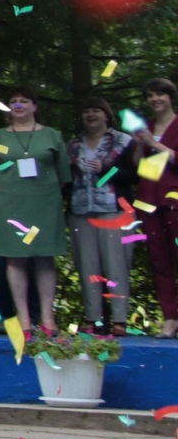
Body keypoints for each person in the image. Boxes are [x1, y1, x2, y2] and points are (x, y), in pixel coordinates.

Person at [0, 87, 67, 335]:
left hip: (45, 203)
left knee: (45, 257)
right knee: (15, 258)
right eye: (14, 101)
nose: (19, 105)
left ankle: (47, 318)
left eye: (24, 101)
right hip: (10, 205)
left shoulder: (53, 136)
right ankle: (23, 318)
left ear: (35, 106)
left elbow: (64, 174)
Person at [68, 94, 135, 334]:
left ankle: (119, 320)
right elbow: (66, 180)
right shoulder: (74, 144)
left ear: (107, 115)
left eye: (96, 110)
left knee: (116, 265)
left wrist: (106, 171)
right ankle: (92, 319)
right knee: (88, 267)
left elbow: (134, 175)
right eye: (86, 111)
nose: (91, 115)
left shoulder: (124, 141)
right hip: (81, 210)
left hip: (114, 211)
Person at [139, 79, 178, 337]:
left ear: (171, 97)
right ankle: (170, 318)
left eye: (160, 94)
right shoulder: (148, 128)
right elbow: (145, 168)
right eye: (151, 95)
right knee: (160, 262)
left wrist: (154, 144)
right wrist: (140, 144)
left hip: (175, 199)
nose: (156, 99)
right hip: (151, 200)